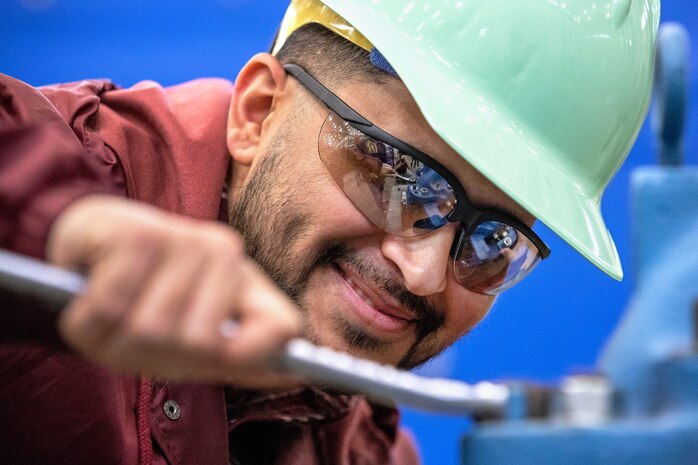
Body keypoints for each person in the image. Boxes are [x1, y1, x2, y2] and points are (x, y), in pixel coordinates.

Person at [0, 0, 660, 464]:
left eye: (493, 241)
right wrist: (65, 225)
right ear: (258, 113)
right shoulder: (67, 190)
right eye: (397, 176)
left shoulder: (365, 446)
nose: (424, 274)